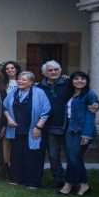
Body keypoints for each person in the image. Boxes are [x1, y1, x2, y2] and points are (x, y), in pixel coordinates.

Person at [4, 71, 51, 189]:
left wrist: (38, 127)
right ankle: (17, 179)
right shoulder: (14, 92)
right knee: (17, 155)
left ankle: (32, 182)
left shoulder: (39, 93)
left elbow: (46, 111)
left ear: (31, 82)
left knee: (33, 156)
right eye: (19, 79)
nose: (20, 81)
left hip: (33, 130)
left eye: (24, 80)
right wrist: (9, 119)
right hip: (16, 129)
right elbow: (5, 107)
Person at [60, 72, 99, 196]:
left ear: (87, 81)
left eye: (83, 79)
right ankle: (81, 184)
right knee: (74, 158)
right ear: (71, 81)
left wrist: (86, 134)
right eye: (76, 79)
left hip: (81, 131)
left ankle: (70, 183)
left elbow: (91, 115)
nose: (79, 81)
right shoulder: (70, 93)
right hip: (69, 130)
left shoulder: (89, 94)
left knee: (74, 158)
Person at [37, 60, 71, 188]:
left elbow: (84, 95)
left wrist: (95, 104)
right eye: (50, 70)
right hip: (50, 126)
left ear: (60, 70)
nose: (53, 72)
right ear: (44, 73)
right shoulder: (40, 87)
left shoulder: (69, 84)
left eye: (56, 69)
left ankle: (73, 180)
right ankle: (59, 180)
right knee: (53, 155)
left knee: (72, 155)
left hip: (68, 125)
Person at [1, 61, 22, 173]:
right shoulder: (2, 84)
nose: (10, 70)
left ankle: (17, 166)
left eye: (12, 68)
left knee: (18, 142)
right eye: (7, 68)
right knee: (6, 141)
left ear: (16, 69)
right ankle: (7, 166)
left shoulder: (22, 81)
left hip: (20, 116)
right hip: (6, 115)